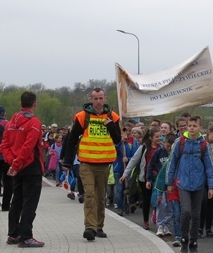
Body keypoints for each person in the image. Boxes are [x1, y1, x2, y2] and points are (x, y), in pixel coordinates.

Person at [62, 87, 121, 241]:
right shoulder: (82, 117)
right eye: (95, 98)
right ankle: (90, 227)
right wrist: (67, 161)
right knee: (89, 194)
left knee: (101, 197)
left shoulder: (113, 117)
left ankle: (99, 226)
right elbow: (72, 139)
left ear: (105, 98)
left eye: (100, 98)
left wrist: (110, 126)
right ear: (91, 99)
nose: (98, 101)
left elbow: (117, 139)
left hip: (104, 163)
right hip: (86, 162)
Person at [0, 91, 45, 248]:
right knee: (29, 202)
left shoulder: (10, 123)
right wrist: (17, 163)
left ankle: (13, 234)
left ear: (20, 104)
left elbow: (3, 145)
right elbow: (28, 146)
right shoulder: (34, 123)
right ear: (35, 104)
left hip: (16, 167)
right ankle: (25, 236)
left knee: (16, 200)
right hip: (31, 166)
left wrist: (12, 163)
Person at [167, 115, 213, 253]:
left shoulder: (204, 144)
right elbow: (172, 163)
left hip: (199, 184)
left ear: (200, 128)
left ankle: (194, 243)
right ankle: (184, 238)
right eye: (190, 126)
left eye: (195, 126)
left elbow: (210, 166)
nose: (192, 128)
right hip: (182, 183)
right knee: (186, 211)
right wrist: (169, 182)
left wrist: (212, 186)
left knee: (196, 215)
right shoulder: (180, 142)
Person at [123, 127, 162, 230]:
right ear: (150, 138)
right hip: (145, 178)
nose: (159, 138)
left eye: (160, 136)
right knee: (146, 200)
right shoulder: (144, 148)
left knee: (159, 199)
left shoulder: (161, 148)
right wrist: (125, 174)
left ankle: (158, 218)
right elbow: (134, 160)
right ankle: (145, 221)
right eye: (157, 136)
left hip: (158, 178)